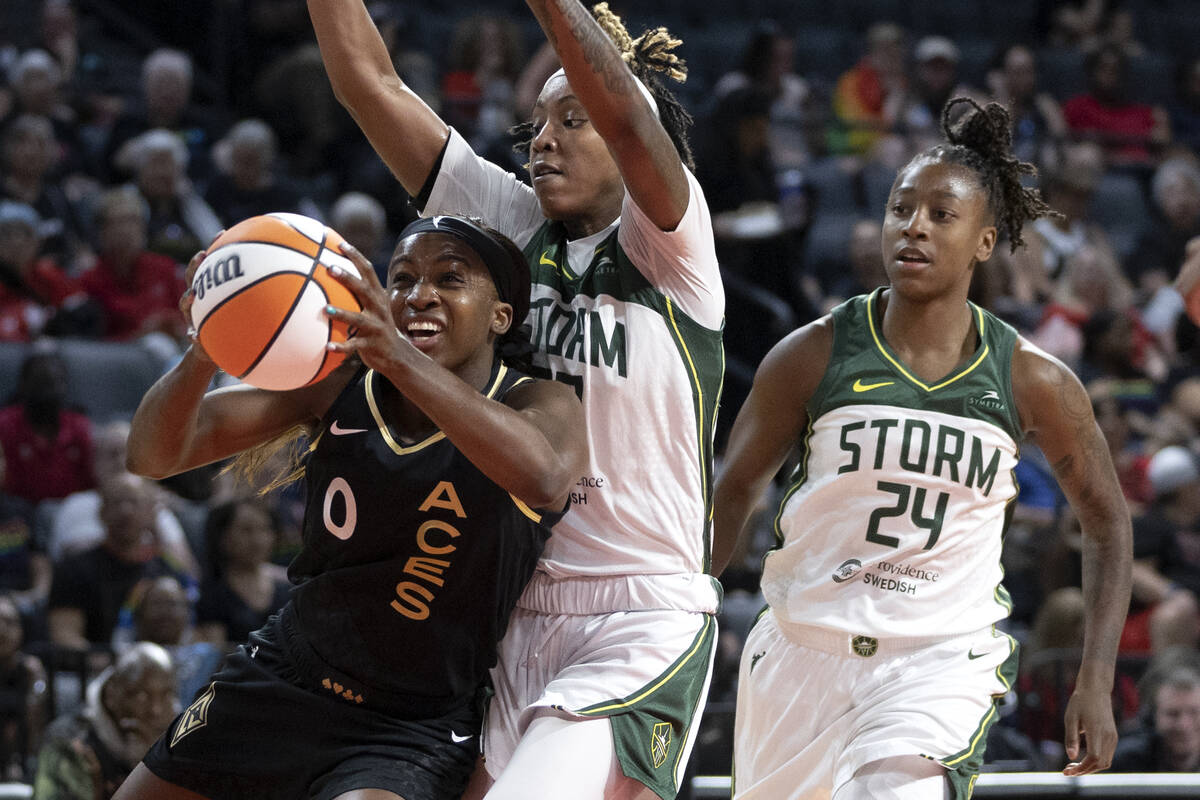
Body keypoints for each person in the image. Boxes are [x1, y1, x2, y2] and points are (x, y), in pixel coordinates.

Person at [308, 1, 724, 797]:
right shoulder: (506, 225)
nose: (545, 139)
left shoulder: (671, 245)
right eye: (537, 123)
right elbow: (369, 84)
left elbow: (634, 126)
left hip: (637, 610)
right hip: (509, 607)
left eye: (574, 119)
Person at [712, 98, 1133, 797]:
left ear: (985, 242)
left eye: (942, 215)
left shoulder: (1031, 378)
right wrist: (683, 620)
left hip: (938, 661)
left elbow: (1108, 522)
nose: (915, 226)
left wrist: (1096, 680)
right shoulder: (811, 355)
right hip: (801, 647)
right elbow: (735, 490)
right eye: (901, 208)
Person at [113, 213, 586, 800]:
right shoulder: (338, 383)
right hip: (286, 675)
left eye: (449, 279)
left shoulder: (539, 399)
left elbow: (543, 478)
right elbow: (153, 454)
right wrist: (207, 345)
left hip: (410, 723)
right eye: (403, 278)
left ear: (500, 315)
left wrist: (400, 361)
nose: (419, 295)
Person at [33, 642, 178, 800]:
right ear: (111, 695)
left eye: (166, 694)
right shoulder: (65, 744)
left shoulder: (183, 737)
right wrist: (142, 772)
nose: (155, 710)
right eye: (141, 695)